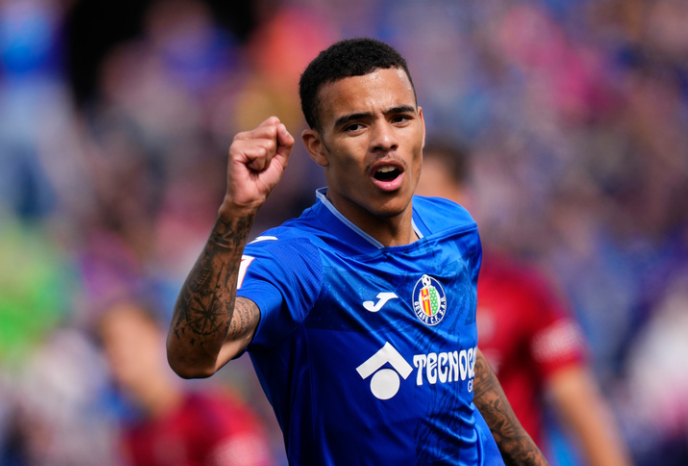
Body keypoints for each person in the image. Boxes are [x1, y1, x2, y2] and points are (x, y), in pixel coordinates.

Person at [166, 38, 548, 465]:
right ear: (316, 147)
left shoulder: (453, 228)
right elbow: (192, 356)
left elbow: (458, 354)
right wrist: (236, 213)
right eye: (355, 125)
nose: (385, 139)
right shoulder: (300, 260)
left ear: (421, 125)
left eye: (400, 118)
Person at [415, 142, 632, 466]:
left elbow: (580, 407)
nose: (414, 211)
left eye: (430, 197)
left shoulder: (521, 292)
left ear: (464, 200)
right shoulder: (376, 302)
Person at [98, 300, 274, 466]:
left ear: (156, 336)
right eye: (107, 344)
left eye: (126, 340)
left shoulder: (211, 413)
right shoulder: (132, 440)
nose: (117, 352)